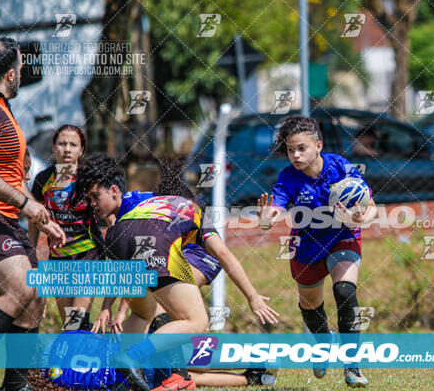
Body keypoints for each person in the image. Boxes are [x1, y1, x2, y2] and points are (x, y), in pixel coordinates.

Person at [73, 153, 279, 391]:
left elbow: (131, 267)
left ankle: (134, 369)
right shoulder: (185, 209)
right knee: (192, 321)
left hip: (146, 245)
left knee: (148, 313)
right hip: (159, 247)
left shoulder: (144, 205)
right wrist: (252, 296)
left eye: (95, 197)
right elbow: (224, 254)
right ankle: (139, 362)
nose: (94, 204)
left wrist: (114, 307)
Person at [257, 116, 377, 387]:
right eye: (290, 149)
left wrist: (362, 219)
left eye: (302, 148)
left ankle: (352, 366)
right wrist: (266, 218)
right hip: (306, 247)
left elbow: (371, 205)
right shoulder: (288, 177)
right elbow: (274, 211)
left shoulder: (341, 168)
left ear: (318, 146)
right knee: (311, 306)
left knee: (345, 291)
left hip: (342, 238)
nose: (295, 155)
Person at [0, 36, 65, 391]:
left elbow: (13, 177)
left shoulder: (6, 112)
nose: (24, 72)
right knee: (22, 286)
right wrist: (27, 205)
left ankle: (15, 387)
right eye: (21, 66)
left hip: (11, 218)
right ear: (11, 74)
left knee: (37, 294)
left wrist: (41, 217)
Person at [29, 125, 103, 332]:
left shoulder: (90, 178)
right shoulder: (43, 179)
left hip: (88, 256)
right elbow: (34, 217)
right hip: (58, 259)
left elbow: (107, 209)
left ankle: (86, 362)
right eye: (62, 143)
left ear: (81, 150)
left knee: (78, 320)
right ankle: (76, 362)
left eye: (73, 145)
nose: (67, 149)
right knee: (70, 325)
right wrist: (32, 253)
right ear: (54, 146)